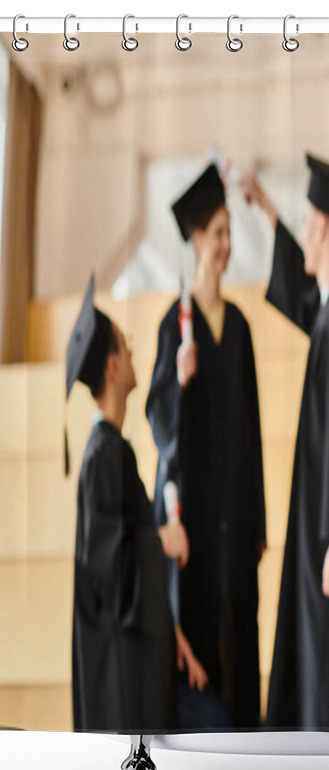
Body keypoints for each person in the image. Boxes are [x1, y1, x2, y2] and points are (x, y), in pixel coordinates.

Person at [240, 154, 329, 730]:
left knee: (320, 666)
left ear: (319, 225)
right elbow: (301, 296)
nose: (301, 228)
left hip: (328, 536)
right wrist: (268, 210)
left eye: (301, 218)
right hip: (318, 531)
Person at [146, 164, 266, 729]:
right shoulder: (177, 324)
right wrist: (176, 375)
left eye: (227, 233)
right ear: (196, 239)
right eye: (217, 233)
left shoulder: (238, 327)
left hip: (237, 518)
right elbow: (158, 425)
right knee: (198, 623)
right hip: (195, 520)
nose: (225, 244)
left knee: (242, 629)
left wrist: (259, 521)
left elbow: (254, 429)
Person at [69, 275, 186, 732]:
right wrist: (164, 539)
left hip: (129, 661)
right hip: (120, 673)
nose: (135, 353)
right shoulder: (105, 455)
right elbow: (112, 568)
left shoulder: (112, 449)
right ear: (113, 367)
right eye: (127, 345)